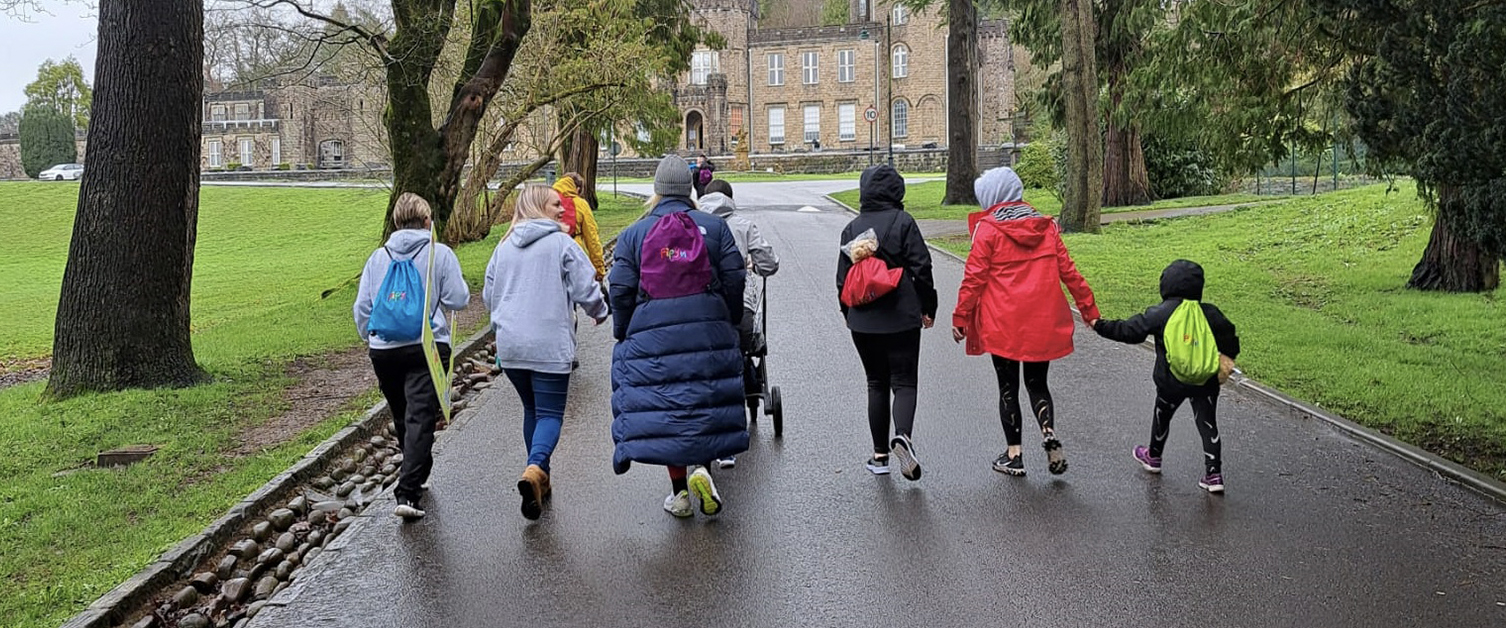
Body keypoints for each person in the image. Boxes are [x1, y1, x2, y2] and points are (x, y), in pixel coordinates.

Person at [608, 155, 749, 518]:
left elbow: (620, 289)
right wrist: (728, 319)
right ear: (689, 189)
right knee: (702, 400)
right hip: (707, 327)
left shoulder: (633, 234)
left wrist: (624, 331)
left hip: (653, 335)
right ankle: (703, 468)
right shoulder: (714, 228)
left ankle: (680, 495)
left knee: (671, 408)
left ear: (656, 190)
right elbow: (735, 277)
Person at [951, 167, 1099, 477]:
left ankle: (1014, 455)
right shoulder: (1046, 227)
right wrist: (1089, 309)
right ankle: (1048, 432)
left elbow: (973, 279)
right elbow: (1069, 272)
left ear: (992, 197)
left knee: (1008, 388)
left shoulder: (988, 230)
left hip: (1003, 322)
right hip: (1042, 322)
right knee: (1037, 384)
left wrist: (960, 318)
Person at [483, 184, 609, 521]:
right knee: (551, 414)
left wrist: (501, 325)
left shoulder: (504, 246)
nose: (560, 210)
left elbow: (488, 294)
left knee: (531, 410)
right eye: (555, 204)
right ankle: (535, 468)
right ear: (539, 206)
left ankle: (542, 479)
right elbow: (587, 288)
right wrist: (599, 311)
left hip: (511, 345)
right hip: (547, 344)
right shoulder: (561, 244)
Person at [354, 193, 470, 521]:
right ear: (426, 221)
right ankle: (408, 491)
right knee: (421, 416)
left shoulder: (378, 258)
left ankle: (417, 469)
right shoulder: (439, 254)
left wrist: (370, 337)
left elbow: (363, 307)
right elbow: (458, 300)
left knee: (403, 415)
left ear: (395, 223)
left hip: (384, 349)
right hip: (426, 345)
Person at [1093, 260, 1241, 493]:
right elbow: (1230, 337)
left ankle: (1154, 456)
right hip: (1206, 381)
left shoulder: (1162, 312)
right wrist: (1228, 358)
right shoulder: (1210, 313)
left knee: (1162, 415)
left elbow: (1132, 330)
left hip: (1171, 382)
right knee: (1208, 424)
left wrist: (1100, 326)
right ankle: (1214, 475)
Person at [836, 164, 937, 481]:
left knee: (875, 383)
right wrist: (928, 306)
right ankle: (902, 436)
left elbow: (842, 281)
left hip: (863, 321)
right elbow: (922, 268)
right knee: (904, 382)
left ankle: (880, 456)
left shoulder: (852, 228)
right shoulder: (904, 222)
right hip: (901, 314)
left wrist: (848, 315)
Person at [697, 178, 780, 469]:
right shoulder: (743, 225)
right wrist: (755, 265)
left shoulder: (691, 224)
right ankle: (748, 383)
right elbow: (769, 263)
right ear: (731, 199)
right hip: (739, 309)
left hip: (701, 310)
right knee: (740, 350)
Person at [552, 173, 607, 281]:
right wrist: (599, 269)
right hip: (574, 256)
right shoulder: (580, 204)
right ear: (576, 189)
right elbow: (592, 239)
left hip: (550, 257)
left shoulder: (546, 202)